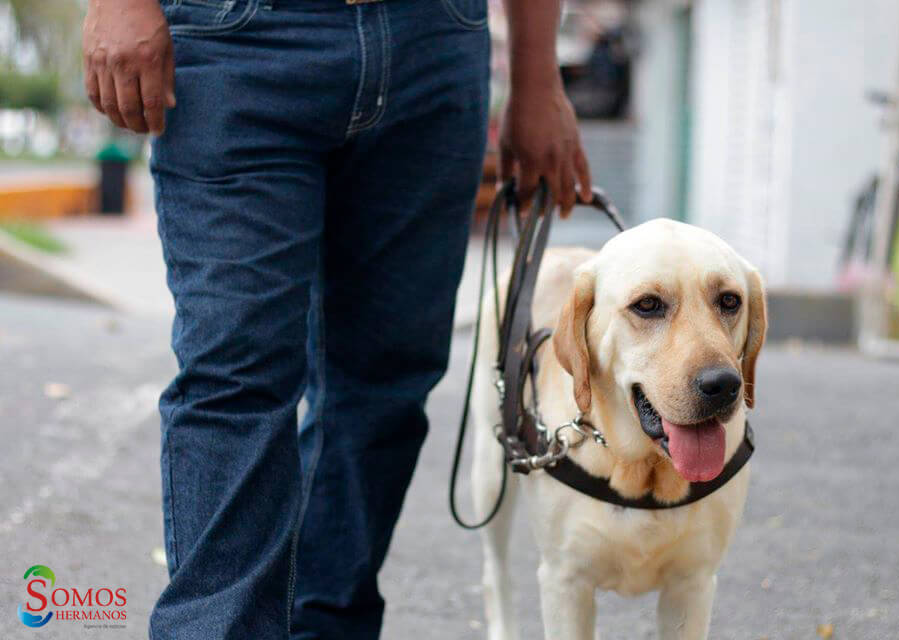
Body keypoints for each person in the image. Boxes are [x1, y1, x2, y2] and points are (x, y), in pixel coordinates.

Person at [82, 0, 592, 637]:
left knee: (387, 381)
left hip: (434, 47)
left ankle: (325, 627)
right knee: (234, 374)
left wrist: (537, 79)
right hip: (239, 40)